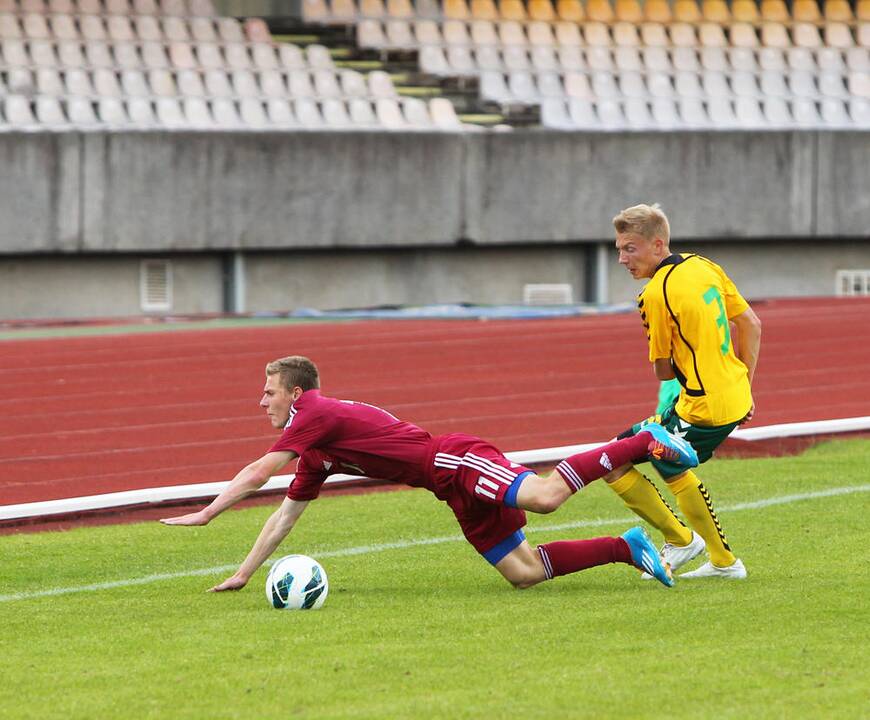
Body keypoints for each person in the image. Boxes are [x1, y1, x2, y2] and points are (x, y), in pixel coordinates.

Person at [161, 356, 700, 592]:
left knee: (544, 497)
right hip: (447, 489)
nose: (262, 402)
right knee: (524, 573)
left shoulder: (315, 413)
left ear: (296, 394)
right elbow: (284, 515)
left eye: (269, 392)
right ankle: (627, 548)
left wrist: (208, 512)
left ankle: (641, 441)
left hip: (455, 461)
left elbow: (259, 472)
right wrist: (244, 573)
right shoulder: (318, 452)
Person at [605, 203, 762, 579]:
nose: (623, 259)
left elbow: (662, 369)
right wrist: (744, 385)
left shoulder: (654, 294)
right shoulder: (703, 265)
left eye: (630, 249)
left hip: (705, 408)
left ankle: (717, 558)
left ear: (657, 245)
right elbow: (751, 324)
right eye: (618, 250)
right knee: (618, 453)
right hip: (731, 396)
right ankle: (684, 543)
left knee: (654, 459)